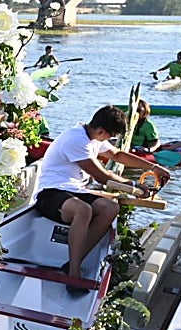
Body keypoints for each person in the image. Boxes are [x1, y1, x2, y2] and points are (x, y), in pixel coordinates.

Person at [34, 105, 170, 291]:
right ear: (101, 131)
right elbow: (102, 177)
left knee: (110, 208)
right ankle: (74, 275)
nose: (110, 140)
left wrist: (153, 167)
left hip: (75, 191)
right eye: (110, 136)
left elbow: (118, 154)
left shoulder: (92, 135)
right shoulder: (75, 140)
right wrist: (133, 186)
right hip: (50, 193)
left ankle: (73, 262)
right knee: (83, 210)